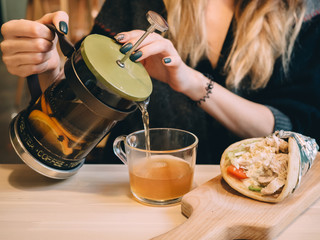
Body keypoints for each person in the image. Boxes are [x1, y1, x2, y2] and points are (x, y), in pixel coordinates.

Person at [1, 0, 320, 164]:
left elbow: (298, 132)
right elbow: (88, 100)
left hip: (246, 200)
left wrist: (192, 82)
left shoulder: (303, 13)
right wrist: (50, 68)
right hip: (128, 193)